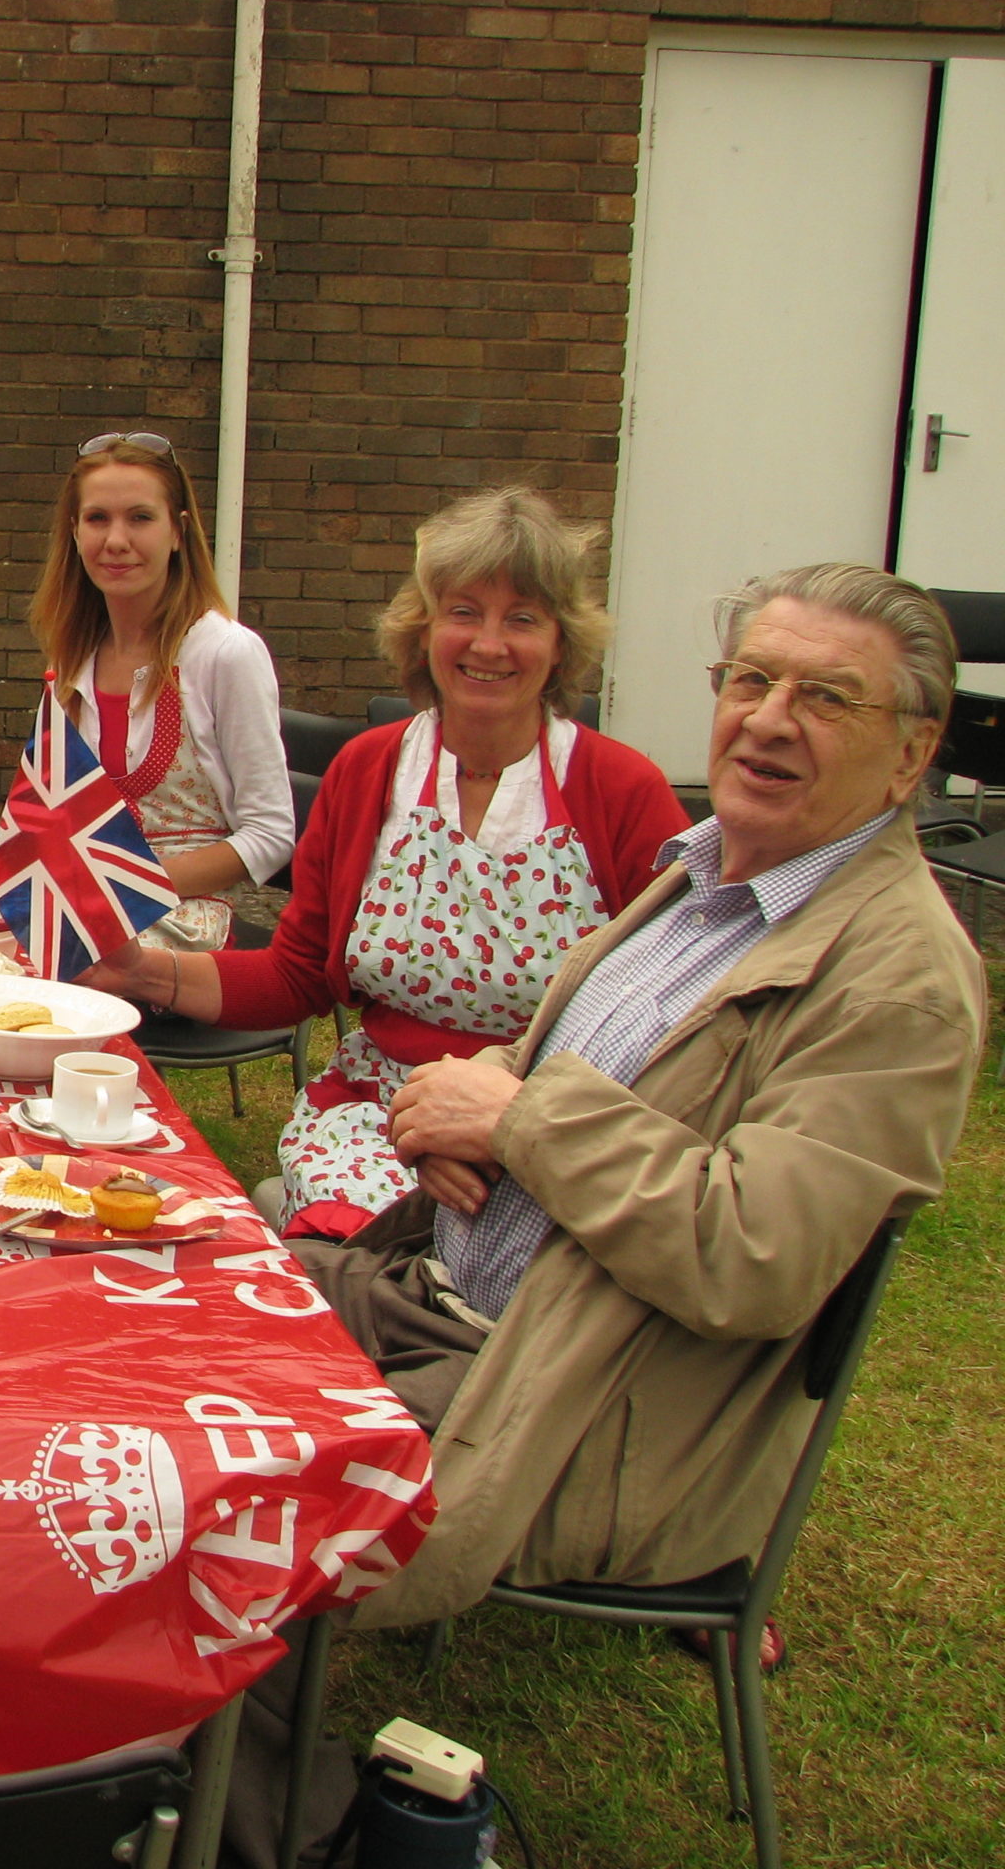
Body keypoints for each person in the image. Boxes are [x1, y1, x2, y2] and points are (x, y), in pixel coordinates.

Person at [332, 560, 980, 1624]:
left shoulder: (901, 985)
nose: (768, 722)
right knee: (181, 1314)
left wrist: (516, 1120)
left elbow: (751, 1256)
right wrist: (461, 1098)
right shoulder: (708, 874)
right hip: (435, 1295)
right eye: (749, 681)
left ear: (911, 756)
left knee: (226, 1461)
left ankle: (235, 1780)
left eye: (823, 697)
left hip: (558, 1407)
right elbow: (572, 1067)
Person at [84, 487, 686, 1232]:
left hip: (550, 1133)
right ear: (424, 628)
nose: (489, 644)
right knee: (338, 1274)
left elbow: (668, 1021)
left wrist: (499, 1127)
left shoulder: (621, 791)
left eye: (522, 619)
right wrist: (144, 973)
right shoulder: (370, 772)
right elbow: (297, 974)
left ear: (563, 642)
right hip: (379, 1120)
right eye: (464, 612)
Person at [30, 430, 296, 953]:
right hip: (80, 905)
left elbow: (270, 835)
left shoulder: (226, 653)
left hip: (182, 918)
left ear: (178, 532)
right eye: (98, 518)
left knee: (51, 974)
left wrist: (128, 885)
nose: (116, 540)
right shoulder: (72, 657)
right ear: (74, 531)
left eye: (140, 518)